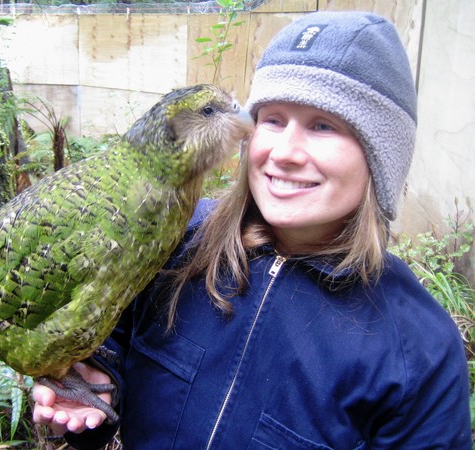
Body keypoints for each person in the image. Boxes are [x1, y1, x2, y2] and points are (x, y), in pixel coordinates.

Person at [33, 10, 472, 449]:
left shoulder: (420, 351)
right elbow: (113, 340)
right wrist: (94, 386)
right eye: (273, 120)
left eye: (323, 125)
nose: (284, 152)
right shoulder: (172, 243)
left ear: (380, 157)